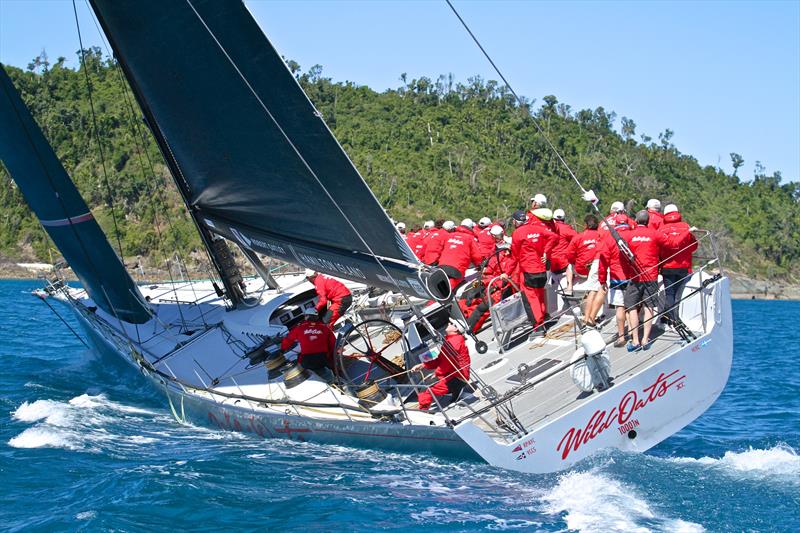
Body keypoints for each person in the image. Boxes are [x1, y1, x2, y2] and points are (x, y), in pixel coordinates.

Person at [623, 210, 670, 351]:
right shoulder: (654, 234)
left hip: (635, 275)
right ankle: (645, 339)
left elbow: (623, 252)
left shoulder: (630, 235)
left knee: (632, 308)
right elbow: (668, 243)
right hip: (651, 275)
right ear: (648, 221)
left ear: (636, 221)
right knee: (649, 307)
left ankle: (635, 339)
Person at [511, 208, 558, 334]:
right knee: (540, 295)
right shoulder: (538, 228)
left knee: (531, 299)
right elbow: (554, 237)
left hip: (528, 271)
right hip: (541, 270)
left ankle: (538, 326)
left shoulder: (517, 233)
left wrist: (507, 272)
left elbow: (514, 256)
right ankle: (543, 319)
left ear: (515, 222)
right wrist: (546, 252)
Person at [466, 225, 517, 332]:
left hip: (506, 284)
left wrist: (489, 281)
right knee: (472, 296)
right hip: (497, 281)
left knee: (483, 306)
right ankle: (466, 325)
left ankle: (469, 329)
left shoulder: (509, 248)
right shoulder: (496, 248)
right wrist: (484, 276)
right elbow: (492, 266)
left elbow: (508, 270)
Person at [411, 321, 471, 411]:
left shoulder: (455, 342)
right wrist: (423, 365)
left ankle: (423, 410)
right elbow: (440, 360)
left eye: (451, 324)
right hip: (453, 375)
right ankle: (455, 390)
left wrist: (436, 373)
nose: (448, 324)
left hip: (458, 377)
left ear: (456, 329)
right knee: (428, 384)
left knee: (426, 389)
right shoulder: (450, 341)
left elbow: (448, 362)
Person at [658, 204, 698, 325]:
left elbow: (658, 247)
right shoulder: (685, 227)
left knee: (669, 293)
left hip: (667, 267)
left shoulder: (662, 228)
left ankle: (669, 319)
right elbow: (694, 245)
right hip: (683, 266)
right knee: (678, 294)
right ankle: (675, 318)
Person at [597, 220, 635, 346]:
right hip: (633, 276)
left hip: (616, 277)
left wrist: (602, 279)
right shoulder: (633, 235)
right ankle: (632, 333)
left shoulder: (609, 238)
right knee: (632, 307)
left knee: (620, 307)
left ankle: (621, 336)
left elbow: (603, 260)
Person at [565, 214, 602, 326]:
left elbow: (569, 255)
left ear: (585, 225)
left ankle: (569, 286)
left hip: (583, 271)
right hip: (598, 269)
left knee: (569, 264)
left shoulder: (578, 237)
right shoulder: (602, 235)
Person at [281, 308, 336, 375]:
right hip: (322, 358)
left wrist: (282, 349)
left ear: (307, 316)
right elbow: (333, 344)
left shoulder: (299, 328)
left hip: (307, 360)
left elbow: (288, 340)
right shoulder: (325, 328)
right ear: (317, 317)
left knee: (299, 361)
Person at [438, 219, 483, 290]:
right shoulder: (470, 238)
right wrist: (480, 266)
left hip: (441, 266)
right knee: (451, 291)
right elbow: (477, 256)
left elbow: (440, 249)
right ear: (471, 228)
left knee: (440, 290)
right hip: (457, 269)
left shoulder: (449, 235)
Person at [550, 208, 577, 297]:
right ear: (563, 219)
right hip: (564, 265)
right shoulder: (566, 228)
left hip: (551, 265)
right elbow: (578, 240)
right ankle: (570, 287)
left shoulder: (548, 228)